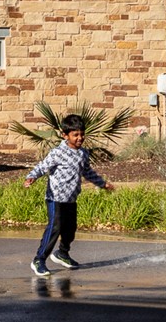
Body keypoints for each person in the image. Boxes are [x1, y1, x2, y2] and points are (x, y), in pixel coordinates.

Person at [24, 114, 112, 278]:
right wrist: (32, 176)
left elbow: (87, 172)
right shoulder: (58, 152)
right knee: (54, 228)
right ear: (65, 135)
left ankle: (62, 254)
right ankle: (39, 259)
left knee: (70, 230)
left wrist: (102, 183)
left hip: (71, 199)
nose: (80, 138)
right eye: (75, 135)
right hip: (55, 198)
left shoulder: (83, 153)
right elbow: (43, 166)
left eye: (82, 134)